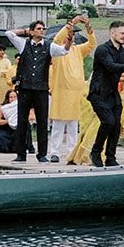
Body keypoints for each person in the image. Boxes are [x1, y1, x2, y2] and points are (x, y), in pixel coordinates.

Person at [5, 19, 70, 163]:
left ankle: (42, 154)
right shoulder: (24, 44)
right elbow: (8, 33)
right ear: (33, 31)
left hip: (41, 89)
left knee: (42, 122)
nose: (42, 31)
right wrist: (25, 32)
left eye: (43, 28)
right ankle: (21, 154)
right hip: (25, 88)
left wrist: (70, 40)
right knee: (22, 121)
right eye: (39, 28)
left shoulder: (49, 46)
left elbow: (64, 50)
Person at [88, 20, 124, 166]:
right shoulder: (102, 50)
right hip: (98, 92)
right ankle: (95, 151)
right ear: (112, 33)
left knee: (116, 126)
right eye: (121, 33)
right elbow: (111, 66)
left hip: (113, 93)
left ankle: (110, 158)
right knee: (108, 122)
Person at [47, 17, 93, 160]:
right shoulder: (57, 51)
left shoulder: (78, 50)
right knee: (58, 123)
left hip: (76, 92)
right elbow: (55, 40)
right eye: (67, 37)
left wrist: (87, 26)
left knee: (74, 124)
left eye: (71, 37)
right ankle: (54, 152)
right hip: (61, 91)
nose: (69, 39)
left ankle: (72, 151)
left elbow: (92, 44)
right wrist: (71, 24)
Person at [0, 88, 21, 154]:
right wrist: (9, 121)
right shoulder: (2, 107)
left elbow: (31, 116)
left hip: (17, 127)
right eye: (11, 97)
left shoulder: (21, 105)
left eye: (15, 97)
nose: (13, 99)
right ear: (8, 98)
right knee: (2, 136)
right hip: (5, 128)